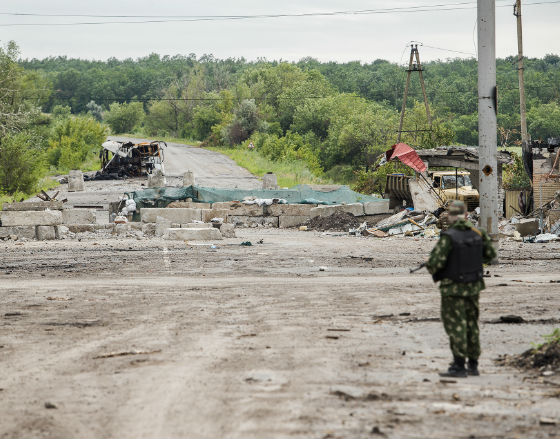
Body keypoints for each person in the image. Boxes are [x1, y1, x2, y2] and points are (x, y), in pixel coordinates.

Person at [426, 200, 496, 378]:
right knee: (472, 324)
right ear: (465, 215)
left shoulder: (449, 237)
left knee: (456, 325)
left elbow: (434, 264)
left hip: (453, 289)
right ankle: (473, 364)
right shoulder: (478, 233)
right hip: (473, 286)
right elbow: (490, 255)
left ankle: (459, 365)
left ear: (450, 216)